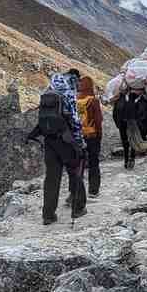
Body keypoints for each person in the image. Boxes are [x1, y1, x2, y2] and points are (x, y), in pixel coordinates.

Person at [27, 72, 87, 225]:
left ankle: (48, 215)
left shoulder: (46, 94)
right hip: (67, 141)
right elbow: (75, 122)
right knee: (74, 172)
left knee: (52, 178)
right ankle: (78, 208)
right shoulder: (67, 95)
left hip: (49, 142)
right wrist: (80, 143)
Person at [113, 89, 147, 169]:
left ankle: (130, 158)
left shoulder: (142, 100)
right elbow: (115, 113)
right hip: (125, 122)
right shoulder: (121, 99)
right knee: (126, 141)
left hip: (132, 123)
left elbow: (146, 114)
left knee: (130, 140)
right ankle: (127, 158)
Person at [77, 76, 103, 197]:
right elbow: (98, 120)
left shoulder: (75, 100)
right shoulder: (93, 101)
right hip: (92, 135)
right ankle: (93, 190)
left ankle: (75, 191)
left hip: (78, 136)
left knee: (79, 164)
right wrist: (99, 134)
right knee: (93, 163)